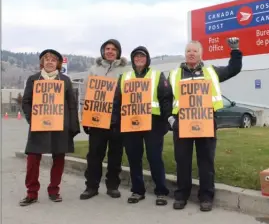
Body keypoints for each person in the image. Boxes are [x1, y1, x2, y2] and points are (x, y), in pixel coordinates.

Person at [167, 38, 243, 211]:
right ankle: (181, 195)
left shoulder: (211, 71)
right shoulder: (174, 74)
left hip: (206, 122)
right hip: (182, 124)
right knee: (182, 161)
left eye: (195, 51)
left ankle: (206, 197)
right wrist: (171, 119)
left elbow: (234, 69)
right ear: (185, 54)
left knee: (206, 161)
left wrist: (235, 51)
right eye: (188, 51)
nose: (191, 54)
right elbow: (166, 98)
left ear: (201, 54)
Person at [19, 49, 80, 206]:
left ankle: (54, 190)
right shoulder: (33, 79)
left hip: (60, 126)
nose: (50, 61)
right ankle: (31, 193)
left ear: (58, 63)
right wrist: (32, 119)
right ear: (42, 62)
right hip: (39, 125)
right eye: (46, 59)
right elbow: (26, 102)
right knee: (32, 159)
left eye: (53, 59)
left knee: (58, 159)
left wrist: (73, 125)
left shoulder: (65, 80)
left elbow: (72, 105)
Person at [116, 46, 172, 205]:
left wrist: (165, 122)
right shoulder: (125, 77)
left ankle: (161, 191)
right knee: (134, 158)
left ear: (147, 59)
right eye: (136, 57)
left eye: (142, 57)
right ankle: (137, 191)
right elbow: (118, 101)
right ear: (133, 60)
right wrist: (118, 123)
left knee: (155, 158)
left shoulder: (157, 75)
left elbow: (165, 99)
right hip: (131, 122)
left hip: (152, 123)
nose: (139, 59)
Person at [79, 39, 129, 200]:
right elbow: (84, 95)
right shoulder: (93, 70)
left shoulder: (125, 70)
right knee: (94, 155)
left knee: (115, 156)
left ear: (118, 52)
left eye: (113, 49)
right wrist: (84, 118)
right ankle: (91, 186)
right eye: (107, 48)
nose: (110, 51)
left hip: (118, 121)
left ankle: (113, 186)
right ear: (103, 51)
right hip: (97, 120)